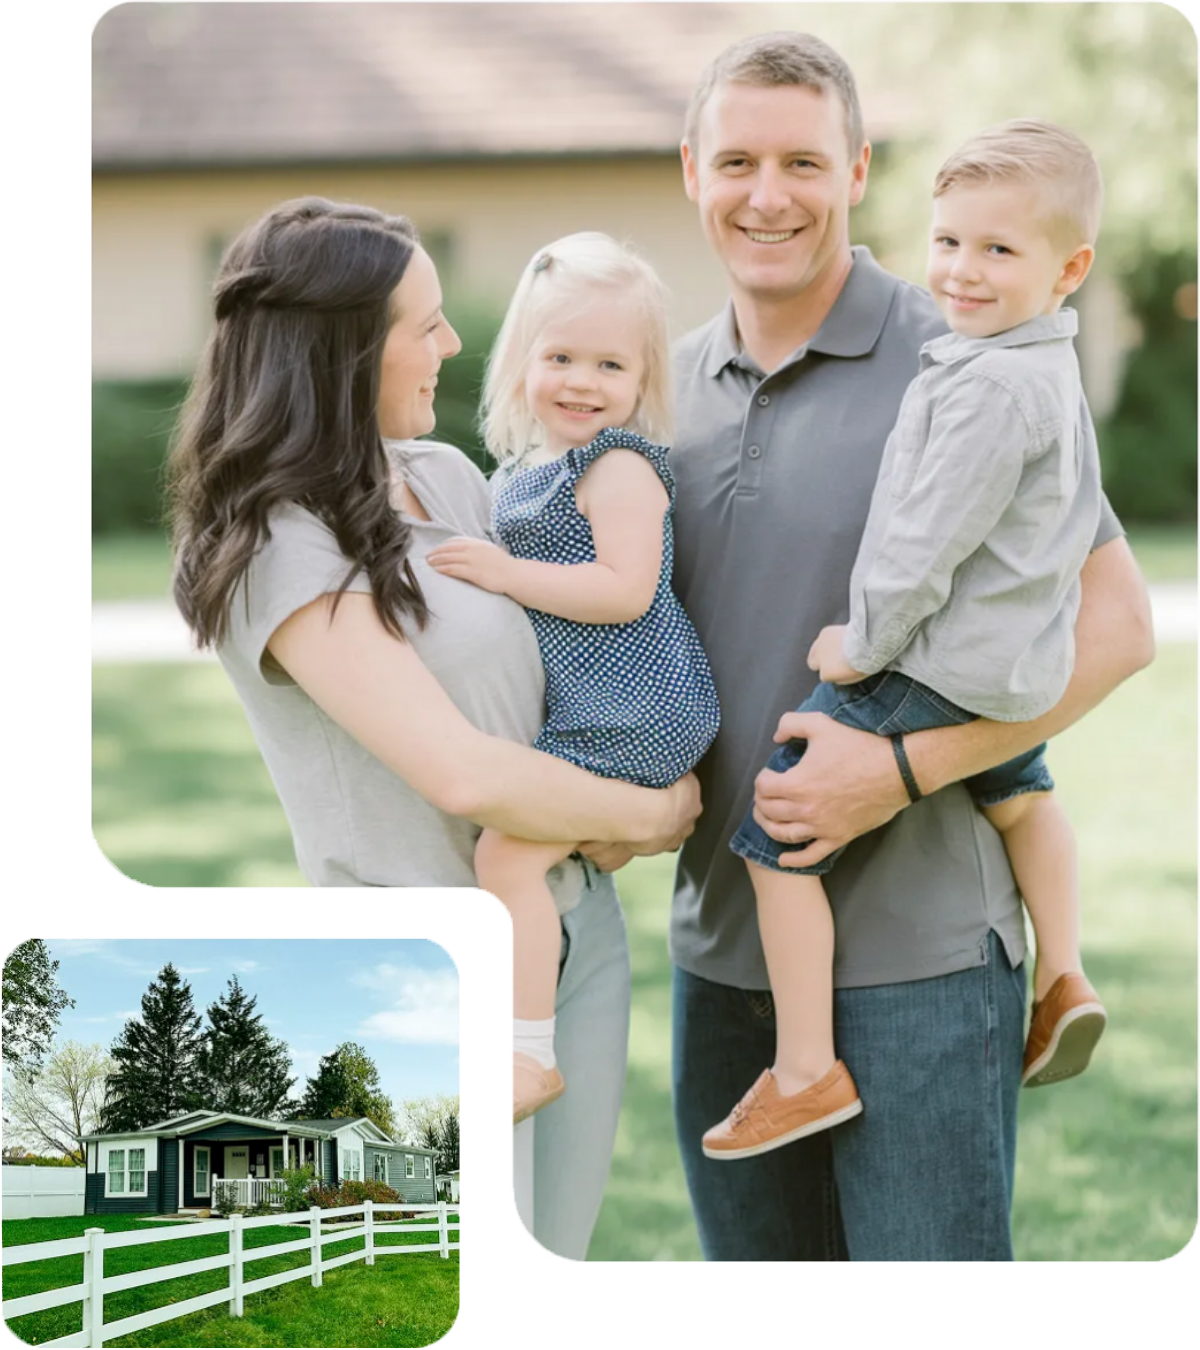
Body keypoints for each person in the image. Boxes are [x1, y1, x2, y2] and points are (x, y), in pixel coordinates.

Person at [668, 34, 1155, 1260]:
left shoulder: (966, 350)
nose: (767, 194)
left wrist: (901, 770)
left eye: (802, 161)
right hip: (723, 961)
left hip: (926, 970)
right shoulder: (657, 388)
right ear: (690, 171)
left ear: (856, 171)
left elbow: (1118, 628)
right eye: (736, 160)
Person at [167, 197, 701, 1259]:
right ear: (344, 350)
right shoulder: (276, 544)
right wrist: (655, 811)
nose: (454, 346)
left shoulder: (444, 477)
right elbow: (461, 774)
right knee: (454, 1294)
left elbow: (565, 660)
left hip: (571, 930)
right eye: (428, 324)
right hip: (429, 974)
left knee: (554, 1275)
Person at [426, 233, 719, 1126]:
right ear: (522, 362)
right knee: (547, 841)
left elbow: (627, 590)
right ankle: (607, 841)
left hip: (634, 706)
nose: (582, 382)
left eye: (609, 364)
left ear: (644, 379)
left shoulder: (618, 467)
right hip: (603, 706)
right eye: (560, 357)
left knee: (502, 855)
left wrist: (506, 573)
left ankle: (529, 1053)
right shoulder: (525, 471)